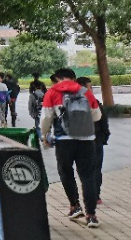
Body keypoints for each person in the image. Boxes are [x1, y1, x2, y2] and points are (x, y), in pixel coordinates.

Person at [41, 68, 102, 228]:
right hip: (86, 140)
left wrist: (45, 135)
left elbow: (46, 118)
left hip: (64, 140)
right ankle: (91, 215)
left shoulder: (52, 92)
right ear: (74, 78)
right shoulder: (85, 92)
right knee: (88, 176)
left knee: (65, 172)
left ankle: (75, 206)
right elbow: (97, 115)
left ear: (57, 78)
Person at [76, 77, 110, 205]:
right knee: (95, 168)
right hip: (94, 140)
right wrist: (104, 137)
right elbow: (104, 123)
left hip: (82, 141)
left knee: (86, 169)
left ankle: (90, 195)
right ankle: (95, 196)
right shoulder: (94, 103)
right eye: (90, 87)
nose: (92, 90)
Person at [28, 73, 47, 140]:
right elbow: (46, 91)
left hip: (36, 108)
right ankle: (45, 136)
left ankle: (41, 137)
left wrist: (31, 113)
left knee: (37, 124)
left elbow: (30, 92)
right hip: (44, 108)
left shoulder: (32, 84)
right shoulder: (42, 83)